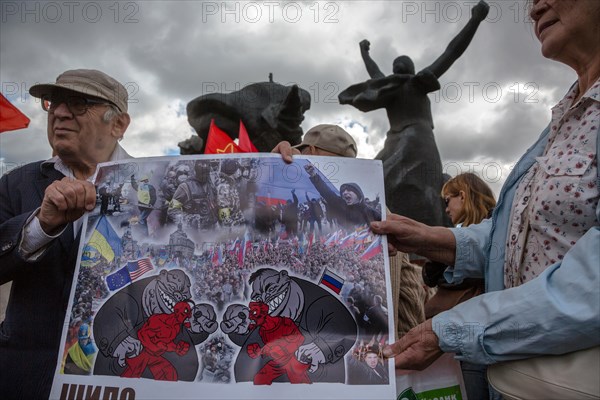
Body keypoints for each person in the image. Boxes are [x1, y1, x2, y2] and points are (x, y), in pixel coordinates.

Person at [371, 1, 600, 398]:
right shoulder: (564, 117)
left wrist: (457, 327)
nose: (534, 7)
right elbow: (516, 235)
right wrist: (433, 238)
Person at [0, 69, 132, 399]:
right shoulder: (18, 183)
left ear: (118, 124)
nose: (59, 112)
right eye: (54, 103)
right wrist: (41, 226)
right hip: (24, 379)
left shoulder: (156, 185)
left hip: (119, 377)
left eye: (78, 102)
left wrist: (276, 169)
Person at [272, 124, 430, 342]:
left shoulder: (380, 217)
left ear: (312, 151)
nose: (345, 194)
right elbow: (409, 305)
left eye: (305, 154)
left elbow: (408, 296)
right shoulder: (389, 219)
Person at [338, 1, 489, 228]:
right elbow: (375, 74)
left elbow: (451, 52)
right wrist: (364, 53)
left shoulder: (418, 83)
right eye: (396, 63)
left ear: (410, 69)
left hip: (417, 140)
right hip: (398, 139)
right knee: (375, 175)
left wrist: (474, 20)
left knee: (415, 184)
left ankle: (428, 235)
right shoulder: (392, 86)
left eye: (402, 63)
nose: (398, 64)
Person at [423, 173, 496, 399]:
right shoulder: (499, 226)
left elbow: (430, 276)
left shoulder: (489, 232)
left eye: (447, 201)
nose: (446, 209)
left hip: (470, 344)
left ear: (462, 195)